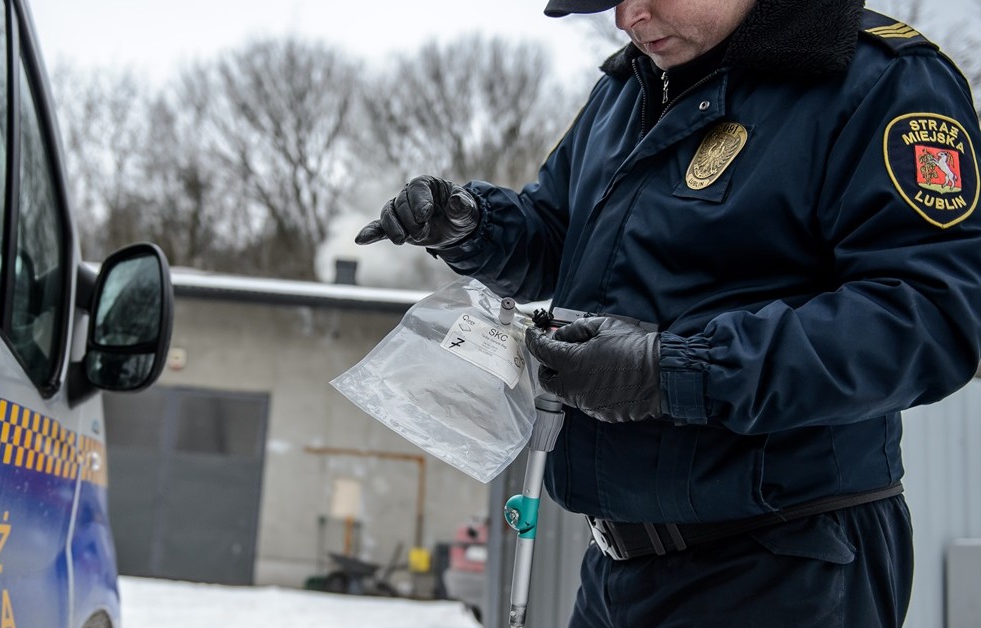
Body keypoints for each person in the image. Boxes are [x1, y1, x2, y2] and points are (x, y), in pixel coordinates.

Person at [355, 0, 981, 625]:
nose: (630, 17)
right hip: (616, 566)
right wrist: (474, 227)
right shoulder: (630, 89)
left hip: (785, 563)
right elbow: (560, 239)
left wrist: (676, 370)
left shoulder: (875, 81)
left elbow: (931, 315)